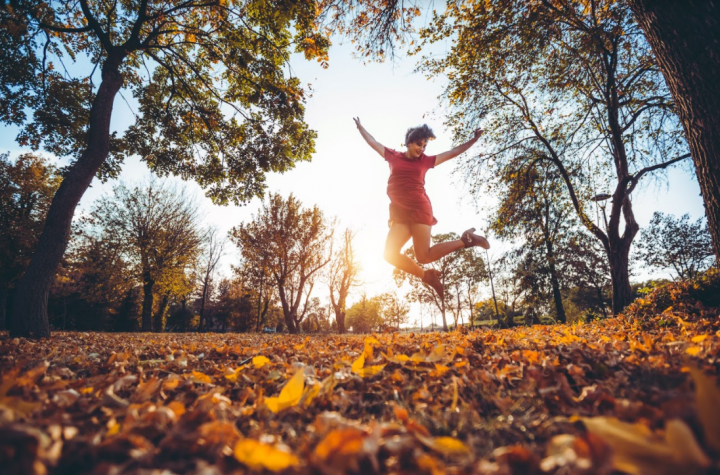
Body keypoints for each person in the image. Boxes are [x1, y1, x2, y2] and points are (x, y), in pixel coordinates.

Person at [353, 117, 490, 299]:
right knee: (389, 254)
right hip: (400, 213)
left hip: (419, 209)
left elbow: (453, 152)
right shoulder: (393, 156)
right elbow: (373, 142)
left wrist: (473, 140)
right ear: (409, 142)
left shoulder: (425, 161)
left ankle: (466, 240)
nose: (422, 149)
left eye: (425, 146)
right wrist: (361, 127)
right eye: (419, 144)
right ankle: (427, 276)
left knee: (423, 257)